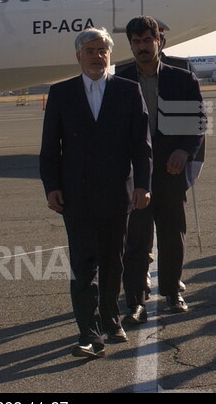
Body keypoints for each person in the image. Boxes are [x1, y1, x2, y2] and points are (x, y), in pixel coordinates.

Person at [39, 28, 152, 359]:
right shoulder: (62, 93)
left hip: (118, 194)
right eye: (90, 50)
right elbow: (50, 149)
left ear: (110, 54)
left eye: (102, 50)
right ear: (78, 56)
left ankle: (111, 318)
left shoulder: (128, 91)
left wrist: (143, 185)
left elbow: (141, 146)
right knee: (83, 266)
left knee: (112, 262)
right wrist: (52, 187)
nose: (97, 55)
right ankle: (88, 333)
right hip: (76, 197)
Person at [118, 16, 205, 320]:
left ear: (160, 41)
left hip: (170, 169)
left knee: (172, 233)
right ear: (130, 45)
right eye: (136, 42)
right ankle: (135, 300)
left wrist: (185, 150)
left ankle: (171, 291)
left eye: (147, 40)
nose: (142, 47)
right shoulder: (120, 79)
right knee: (136, 237)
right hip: (136, 174)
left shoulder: (182, 78)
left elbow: (197, 123)